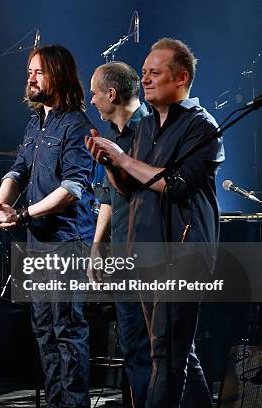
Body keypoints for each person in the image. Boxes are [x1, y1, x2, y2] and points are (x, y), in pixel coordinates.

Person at [85, 38, 225, 408]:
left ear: (180, 78)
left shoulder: (201, 126)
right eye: (144, 72)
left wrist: (123, 158)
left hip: (183, 252)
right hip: (146, 251)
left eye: (154, 73)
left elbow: (176, 185)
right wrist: (109, 162)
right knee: (176, 352)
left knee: (165, 354)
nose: (145, 79)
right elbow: (132, 189)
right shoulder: (148, 129)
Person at [0, 44, 96, 408]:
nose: (30, 79)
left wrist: (22, 214)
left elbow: (72, 189)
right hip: (37, 243)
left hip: (67, 242)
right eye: (29, 72)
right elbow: (18, 170)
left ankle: (73, 403)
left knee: (67, 329)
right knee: (43, 330)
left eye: (38, 72)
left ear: (58, 74)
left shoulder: (78, 125)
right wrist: (3, 202)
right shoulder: (36, 123)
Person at [87, 62, 151, 408]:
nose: (92, 100)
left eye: (95, 93)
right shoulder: (111, 136)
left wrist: (116, 163)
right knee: (133, 347)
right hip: (124, 254)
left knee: (165, 352)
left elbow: (145, 187)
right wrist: (98, 246)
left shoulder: (151, 129)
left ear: (111, 94)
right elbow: (111, 197)